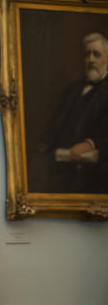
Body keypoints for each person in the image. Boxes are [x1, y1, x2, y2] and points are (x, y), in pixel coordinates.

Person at [37, 31, 108, 194]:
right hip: (61, 165)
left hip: (94, 171)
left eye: (96, 54)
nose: (91, 60)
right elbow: (55, 124)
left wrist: (90, 144)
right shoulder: (72, 89)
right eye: (87, 54)